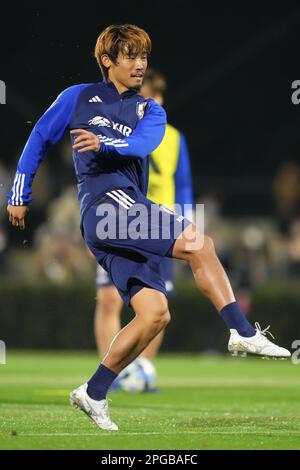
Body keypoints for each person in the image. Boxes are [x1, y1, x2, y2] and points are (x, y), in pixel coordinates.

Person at [7, 24, 290, 432]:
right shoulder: (77, 97)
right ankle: (242, 331)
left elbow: (142, 146)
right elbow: (38, 137)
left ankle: (94, 391)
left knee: (155, 314)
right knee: (200, 242)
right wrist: (20, 192)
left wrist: (103, 145)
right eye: (131, 56)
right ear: (108, 61)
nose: (140, 65)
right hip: (105, 208)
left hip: (129, 210)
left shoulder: (150, 111)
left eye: (144, 57)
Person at [94, 69, 193, 391]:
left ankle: (143, 372)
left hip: (159, 225)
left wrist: (188, 227)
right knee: (108, 300)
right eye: (150, 94)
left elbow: (183, 186)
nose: (156, 101)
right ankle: (111, 373)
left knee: (157, 302)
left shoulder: (175, 137)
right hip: (117, 221)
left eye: (160, 95)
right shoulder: (115, 134)